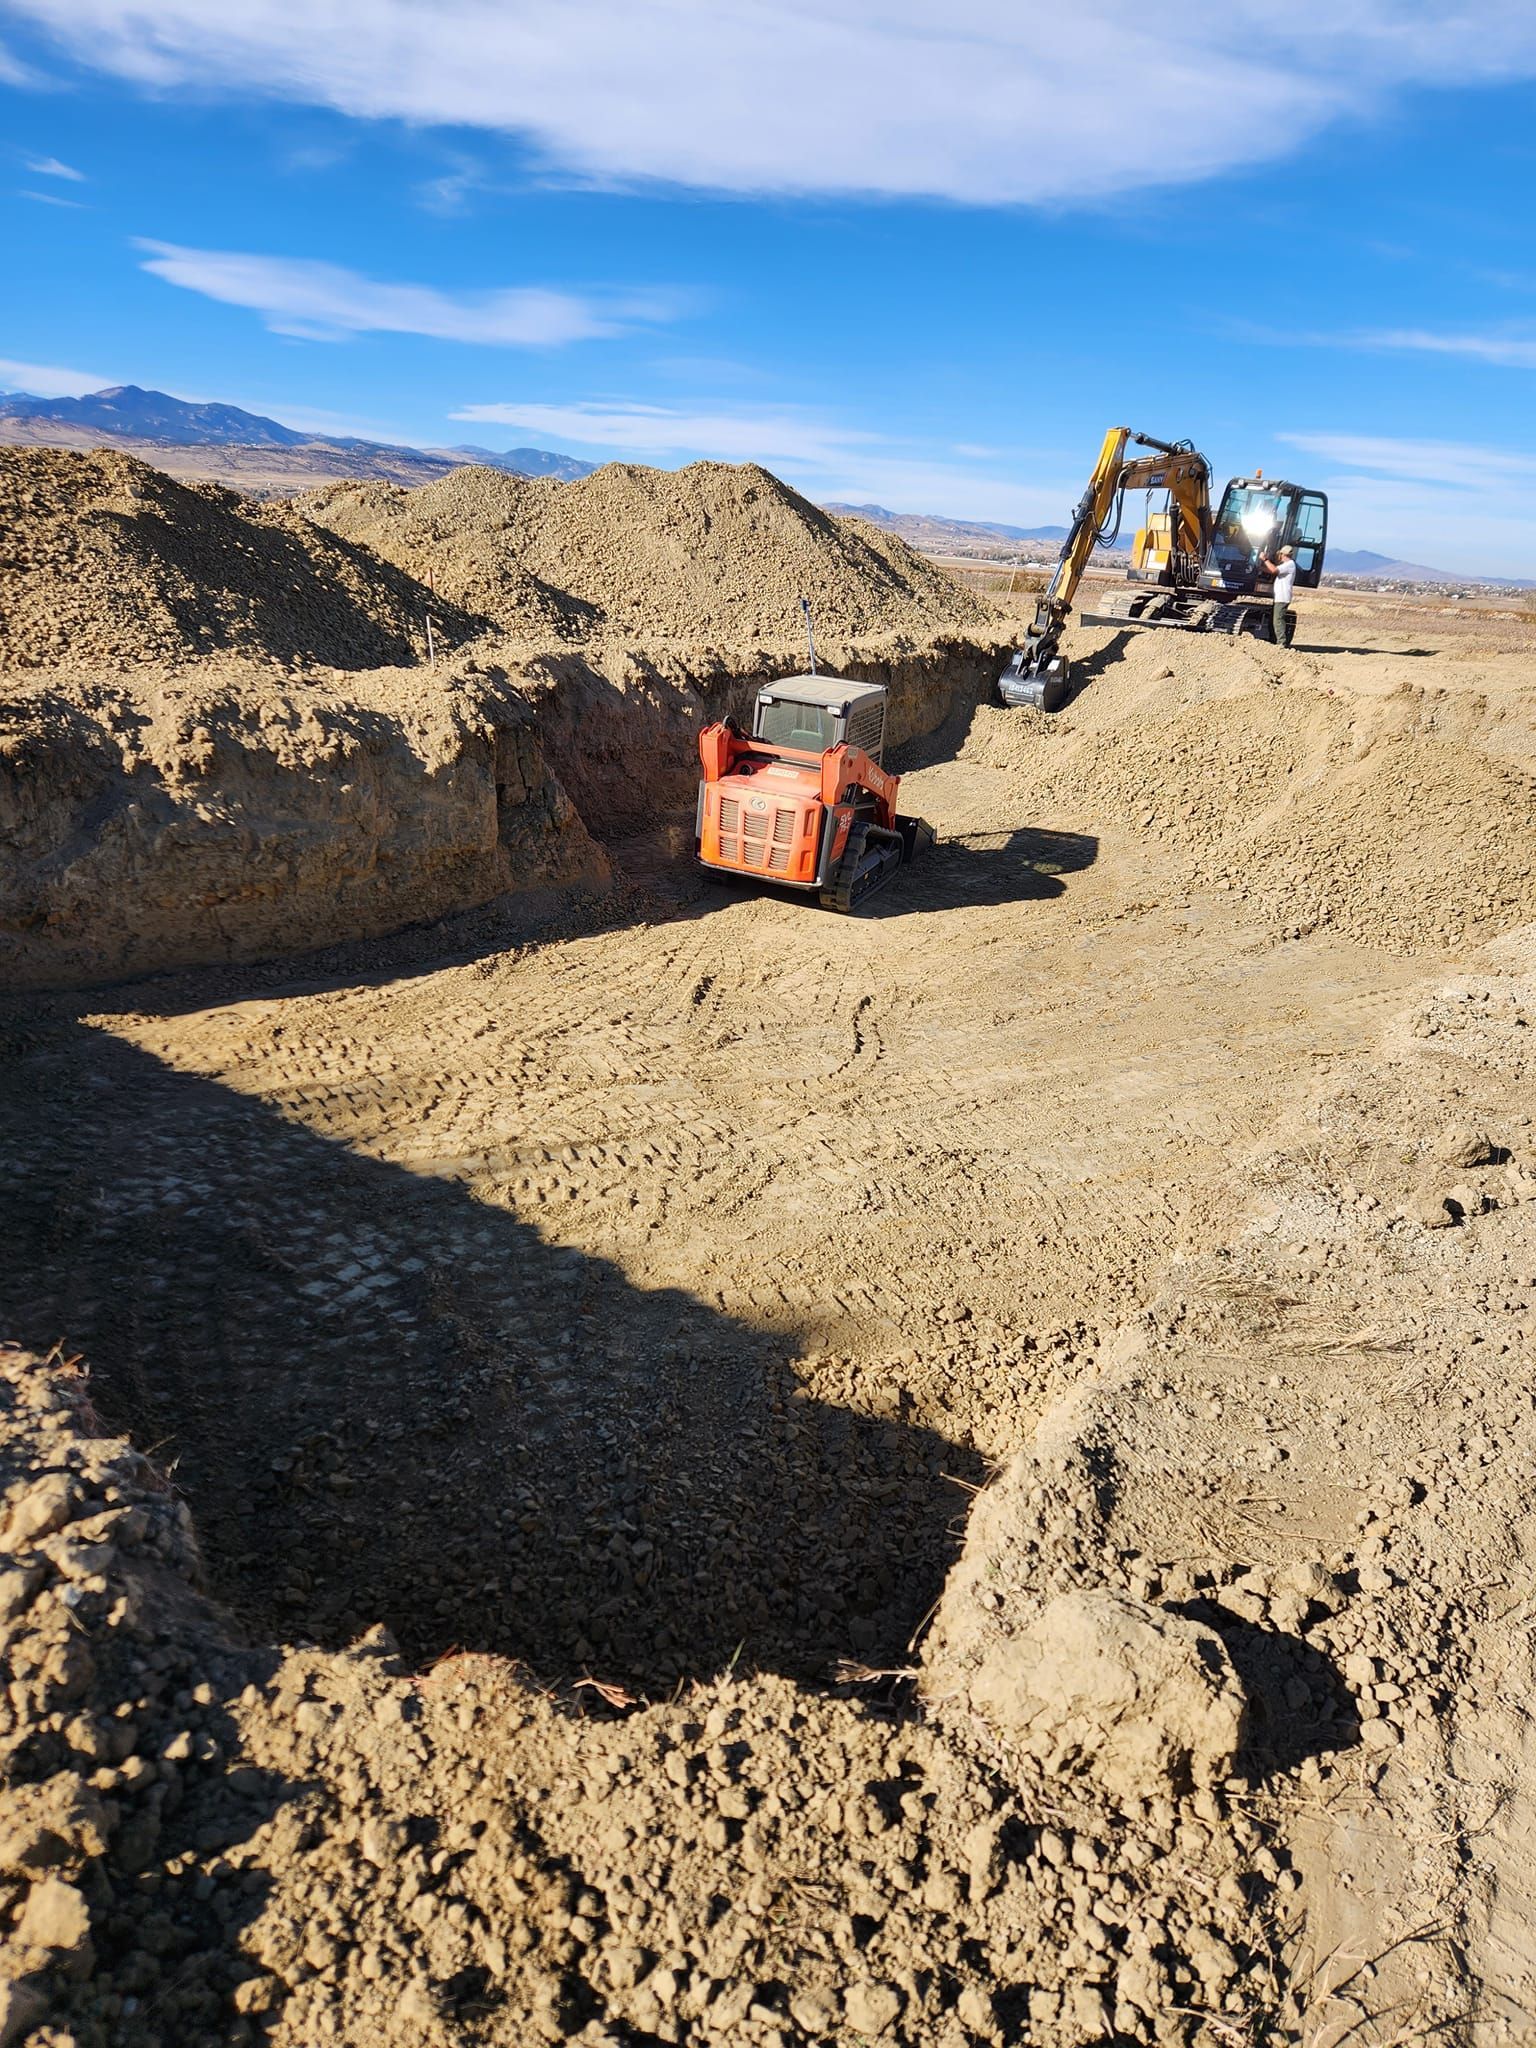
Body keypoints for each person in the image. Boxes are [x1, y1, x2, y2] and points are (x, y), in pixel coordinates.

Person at [1261, 543, 1297, 647]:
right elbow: (1273, 570)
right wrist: (1261, 568)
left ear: (1283, 554)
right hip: (1280, 597)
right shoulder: (1286, 565)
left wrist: (1265, 559)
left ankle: (1281, 642)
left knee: (1278, 620)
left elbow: (1274, 570)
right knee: (1275, 619)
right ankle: (1274, 640)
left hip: (1283, 597)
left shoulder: (1289, 564)